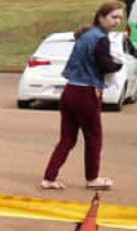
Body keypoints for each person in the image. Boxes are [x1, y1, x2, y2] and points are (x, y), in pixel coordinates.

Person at [42, 1, 126, 192]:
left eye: (120, 17)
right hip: (86, 93)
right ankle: (93, 178)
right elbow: (105, 65)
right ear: (101, 17)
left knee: (67, 139)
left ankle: (49, 178)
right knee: (94, 136)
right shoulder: (100, 39)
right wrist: (118, 64)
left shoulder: (86, 35)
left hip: (70, 90)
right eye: (113, 17)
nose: (117, 22)